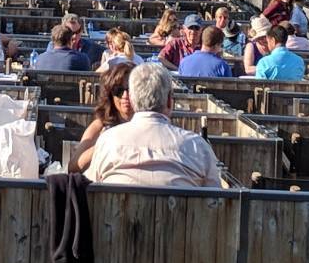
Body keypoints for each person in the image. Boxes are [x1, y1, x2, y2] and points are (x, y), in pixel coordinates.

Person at [85, 64, 227, 189]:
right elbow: (215, 202)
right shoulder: (197, 146)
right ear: (170, 102)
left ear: (133, 102)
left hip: (115, 219)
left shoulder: (108, 141)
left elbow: (90, 189)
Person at [68, 67, 134, 176]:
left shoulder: (147, 125)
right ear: (110, 94)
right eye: (119, 91)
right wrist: (102, 144)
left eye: (130, 90)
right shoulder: (99, 125)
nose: (125, 96)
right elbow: (73, 167)